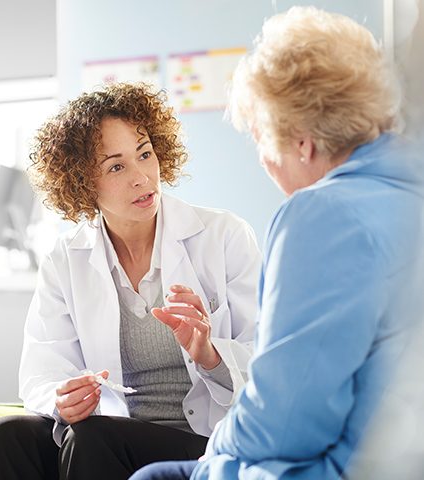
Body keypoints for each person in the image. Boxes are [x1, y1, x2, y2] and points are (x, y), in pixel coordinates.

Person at [131, 6, 424, 480]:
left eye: (262, 140)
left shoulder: (323, 214)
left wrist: (216, 451)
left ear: (302, 144)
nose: (265, 162)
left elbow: (285, 419)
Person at [0, 82, 261, 479]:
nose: (142, 177)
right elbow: (42, 369)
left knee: (93, 437)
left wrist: (209, 352)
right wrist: (64, 401)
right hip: (103, 435)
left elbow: (266, 362)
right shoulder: (66, 259)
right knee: (4, 436)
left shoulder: (224, 236)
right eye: (117, 166)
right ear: (82, 182)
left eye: (145, 154)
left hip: (202, 441)